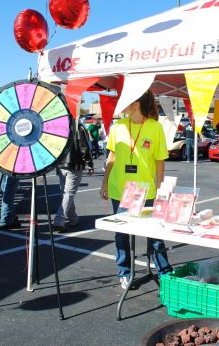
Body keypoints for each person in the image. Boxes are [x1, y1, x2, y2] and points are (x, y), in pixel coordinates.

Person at [100, 90, 173, 289]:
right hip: (120, 188)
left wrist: (160, 187)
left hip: (146, 189)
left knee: (155, 232)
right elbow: (112, 157)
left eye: (126, 100)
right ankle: (124, 271)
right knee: (121, 233)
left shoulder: (155, 127)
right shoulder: (118, 126)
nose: (120, 104)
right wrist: (105, 182)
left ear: (136, 104)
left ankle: (164, 271)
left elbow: (159, 159)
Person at [53, 122, 94, 232]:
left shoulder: (59, 124)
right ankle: (59, 220)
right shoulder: (78, 126)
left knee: (66, 193)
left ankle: (73, 218)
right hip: (74, 165)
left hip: (61, 164)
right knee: (68, 193)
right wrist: (89, 164)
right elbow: (84, 147)